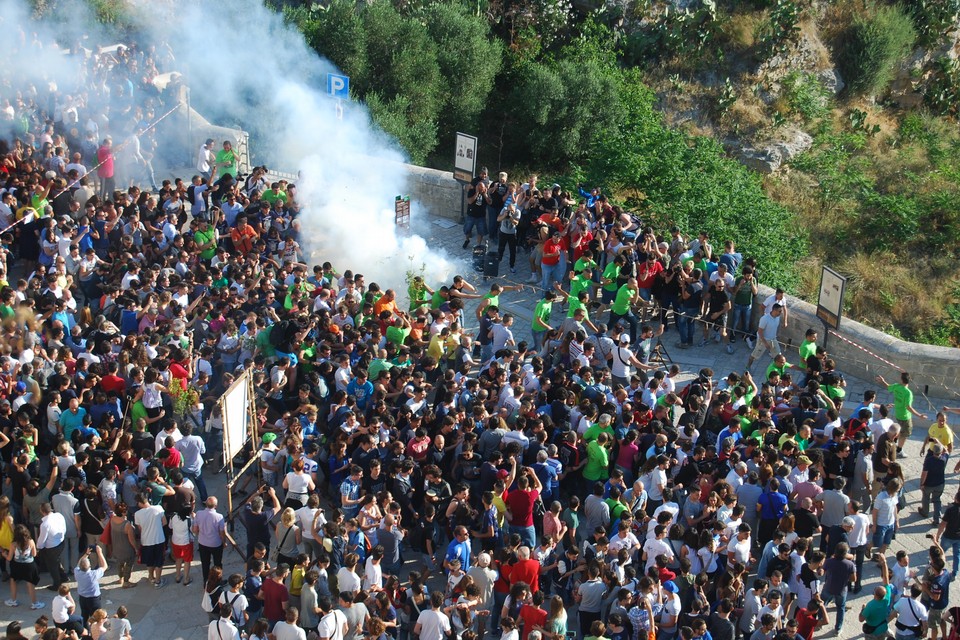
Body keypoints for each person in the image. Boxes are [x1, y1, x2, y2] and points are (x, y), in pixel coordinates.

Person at [133, 491, 168, 588]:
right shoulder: (158, 508)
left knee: (150, 561)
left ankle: (151, 577)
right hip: (159, 538)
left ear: (139, 502)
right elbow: (164, 522)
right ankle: (158, 581)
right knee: (159, 561)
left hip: (146, 540)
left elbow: (140, 528)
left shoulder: (137, 514)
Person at [4, 524, 43, 609]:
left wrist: (4, 554)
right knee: (30, 584)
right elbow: (34, 554)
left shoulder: (13, 544)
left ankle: (13, 600)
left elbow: (9, 558)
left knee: (13, 581)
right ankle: (34, 603)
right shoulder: (31, 541)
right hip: (29, 565)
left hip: (17, 565)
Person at [194, 497, 226, 586]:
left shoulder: (199, 514)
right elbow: (221, 532)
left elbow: (195, 529)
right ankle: (218, 581)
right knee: (218, 564)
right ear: (215, 506)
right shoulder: (219, 517)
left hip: (203, 543)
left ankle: (206, 581)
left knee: (205, 563)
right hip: (215, 544)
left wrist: (200, 535)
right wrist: (224, 542)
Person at [74, 544, 107, 626]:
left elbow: (79, 563)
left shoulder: (77, 572)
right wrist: (100, 553)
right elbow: (104, 566)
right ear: (90, 566)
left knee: (84, 616)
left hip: (82, 598)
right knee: (97, 617)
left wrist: (86, 554)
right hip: (93, 599)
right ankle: (96, 631)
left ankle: (85, 631)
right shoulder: (93, 574)